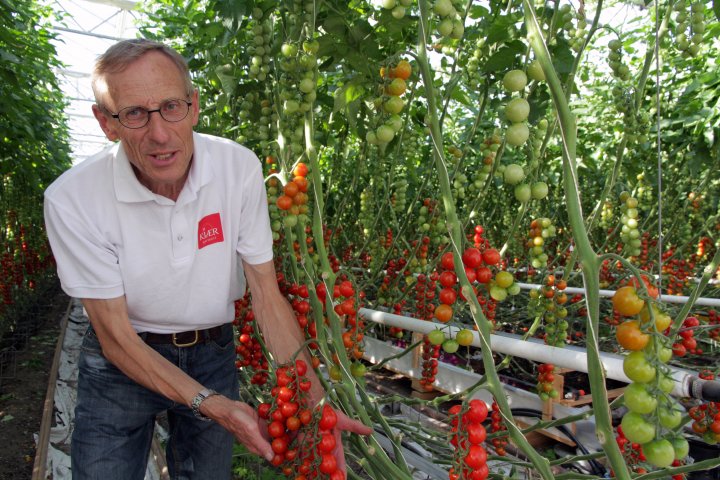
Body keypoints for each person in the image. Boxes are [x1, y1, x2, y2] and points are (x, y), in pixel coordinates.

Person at [44, 38, 372, 480]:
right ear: (106, 124)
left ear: (194, 106)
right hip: (120, 364)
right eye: (135, 114)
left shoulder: (238, 169)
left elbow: (265, 295)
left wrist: (314, 401)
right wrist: (212, 405)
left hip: (211, 351)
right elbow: (116, 337)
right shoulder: (73, 199)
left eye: (172, 107)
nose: (160, 134)